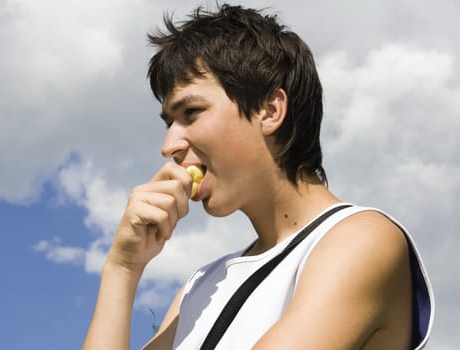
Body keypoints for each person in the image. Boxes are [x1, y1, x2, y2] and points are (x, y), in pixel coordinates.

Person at [82, 4, 434, 349]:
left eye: (191, 112)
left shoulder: (361, 239)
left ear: (270, 110)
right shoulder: (200, 286)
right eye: (169, 123)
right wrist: (122, 268)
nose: (169, 145)